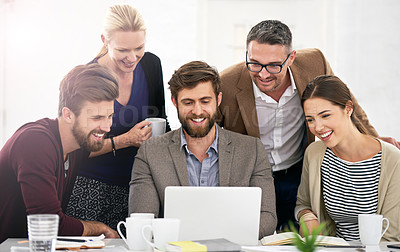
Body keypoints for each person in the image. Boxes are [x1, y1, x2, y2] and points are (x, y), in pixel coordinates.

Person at [217, 20, 386, 231]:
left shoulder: (315, 62)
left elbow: (348, 106)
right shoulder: (226, 83)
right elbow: (206, 135)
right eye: (255, 63)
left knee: (302, 238)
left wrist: (377, 147)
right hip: (251, 179)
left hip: (297, 173)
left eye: (273, 65)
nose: (263, 74)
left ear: (291, 58)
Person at [129, 61, 277, 238]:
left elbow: (267, 218)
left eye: (205, 101)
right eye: (188, 102)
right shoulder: (150, 153)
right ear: (174, 102)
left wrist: (224, 239)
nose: (197, 111)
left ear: (218, 100)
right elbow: (144, 220)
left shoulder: (252, 150)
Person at [66, 4, 169, 230]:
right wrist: (126, 140)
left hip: (138, 187)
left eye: (139, 47)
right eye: (123, 50)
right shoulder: (84, 78)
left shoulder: (151, 65)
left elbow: (162, 120)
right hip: (90, 188)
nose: (132, 58)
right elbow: (73, 147)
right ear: (105, 40)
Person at [0, 64, 120, 243]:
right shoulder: (35, 143)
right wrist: (99, 228)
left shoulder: (76, 146)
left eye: (109, 116)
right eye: (96, 118)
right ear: (68, 114)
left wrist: (128, 140)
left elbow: (96, 146)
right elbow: (52, 225)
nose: (107, 126)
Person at [295, 75, 400, 241]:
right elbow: (303, 202)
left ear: (348, 108)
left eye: (325, 115)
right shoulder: (315, 154)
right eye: (310, 119)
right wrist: (306, 216)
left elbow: (391, 235)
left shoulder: (392, 160)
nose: (318, 127)